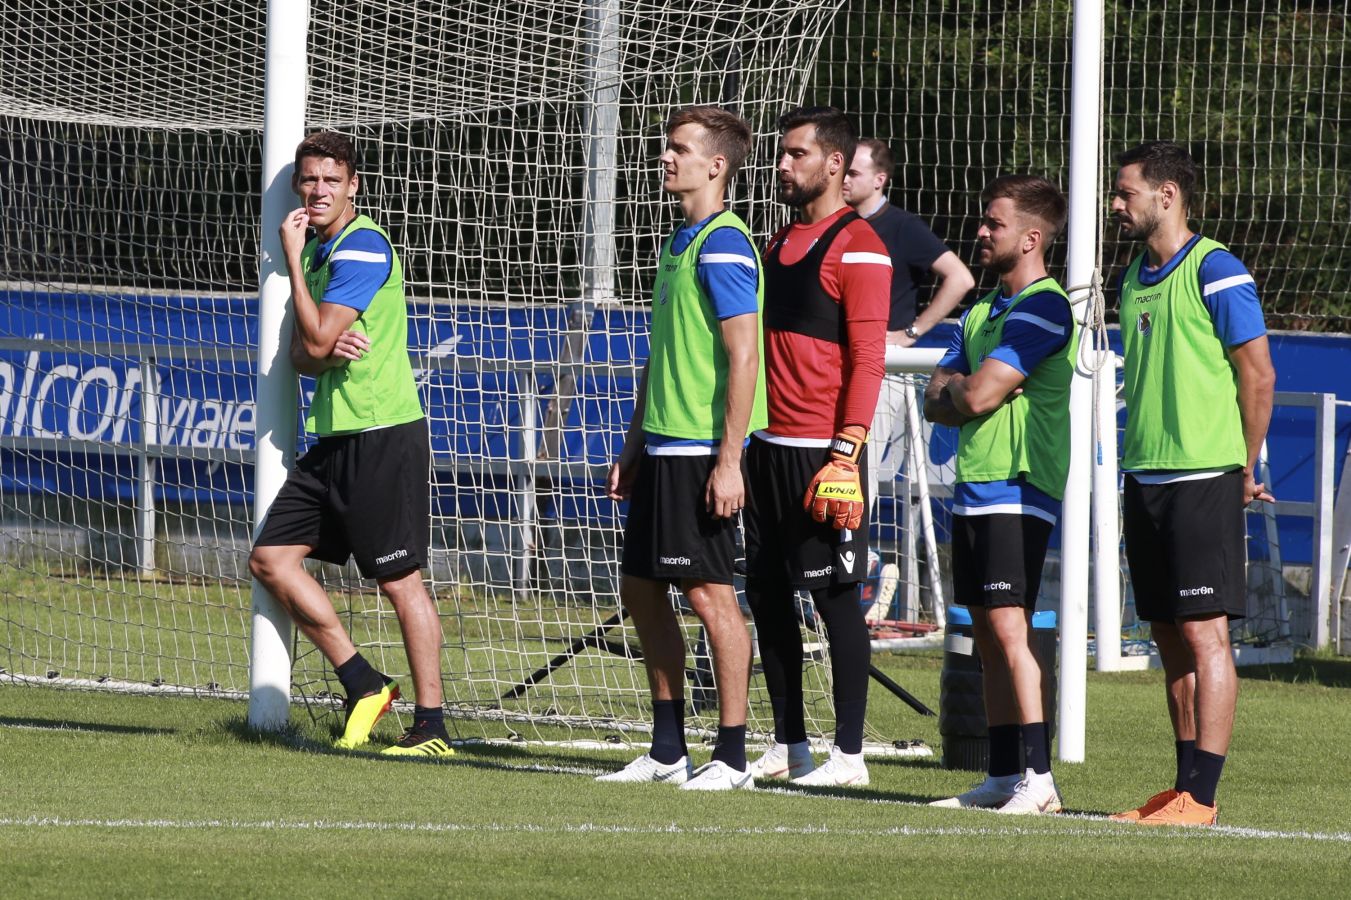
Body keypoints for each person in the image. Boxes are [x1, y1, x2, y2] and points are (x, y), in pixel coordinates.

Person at [249, 132, 452, 757]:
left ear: (353, 185)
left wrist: (293, 265)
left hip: (381, 433)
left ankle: (434, 726)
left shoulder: (360, 248)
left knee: (400, 582)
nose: (317, 191)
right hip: (334, 437)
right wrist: (315, 340)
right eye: (308, 181)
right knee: (271, 560)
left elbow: (315, 338)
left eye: (330, 180)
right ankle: (363, 682)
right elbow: (303, 357)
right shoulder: (319, 252)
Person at [596, 106, 766, 791]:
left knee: (710, 597)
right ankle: (668, 750)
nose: (665, 158)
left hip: (701, 451)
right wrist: (634, 443)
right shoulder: (679, 242)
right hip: (664, 448)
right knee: (640, 590)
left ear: (715, 165)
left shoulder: (724, 243)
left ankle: (730, 757)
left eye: (679, 149)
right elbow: (659, 358)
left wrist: (728, 460)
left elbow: (744, 355)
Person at [1108, 141, 1274, 826]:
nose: (1116, 207)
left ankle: (1202, 798)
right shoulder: (1132, 276)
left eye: (1126, 194)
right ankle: (1179, 790)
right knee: (1167, 635)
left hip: (1204, 474)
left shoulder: (1216, 270)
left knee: (1205, 633)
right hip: (1144, 474)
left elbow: (1256, 372)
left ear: (1167, 194)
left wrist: (1245, 463)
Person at [743, 106, 891, 787]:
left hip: (821, 455)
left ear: (834, 164)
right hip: (768, 447)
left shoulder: (858, 244)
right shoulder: (773, 243)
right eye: (781, 154)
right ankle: (789, 745)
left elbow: (866, 360)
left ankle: (850, 757)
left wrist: (845, 452)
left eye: (796, 154)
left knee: (835, 601)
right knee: (768, 596)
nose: (782, 165)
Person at [923, 175, 1074, 815]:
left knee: (1010, 627)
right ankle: (1003, 771)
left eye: (995, 223)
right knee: (984, 630)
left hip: (1018, 486)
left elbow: (975, 395)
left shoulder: (1044, 305)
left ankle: (1039, 779)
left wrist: (971, 388)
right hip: (976, 486)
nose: (982, 232)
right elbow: (938, 397)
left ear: (1032, 238)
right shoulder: (983, 310)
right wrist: (969, 388)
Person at [844, 139, 974, 518]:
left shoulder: (902, 226)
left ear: (880, 179)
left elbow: (960, 278)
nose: (845, 179)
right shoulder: (839, 224)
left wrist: (911, 332)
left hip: (883, 364)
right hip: (838, 359)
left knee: (859, 459)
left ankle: (856, 550)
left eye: (854, 172)